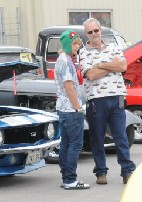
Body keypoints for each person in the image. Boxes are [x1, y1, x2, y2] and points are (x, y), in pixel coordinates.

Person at [79, 17, 135, 185]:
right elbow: (90, 75)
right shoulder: (83, 52)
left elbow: (123, 67)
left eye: (96, 30)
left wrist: (100, 65)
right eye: (90, 32)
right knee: (97, 138)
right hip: (96, 101)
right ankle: (101, 172)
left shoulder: (114, 47)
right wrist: (111, 65)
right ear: (86, 34)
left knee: (121, 136)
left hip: (117, 97)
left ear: (100, 29)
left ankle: (127, 171)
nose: (94, 34)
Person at [55, 30, 89, 190]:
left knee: (66, 144)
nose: (77, 47)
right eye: (75, 44)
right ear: (68, 44)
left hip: (62, 109)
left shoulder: (61, 60)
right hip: (71, 110)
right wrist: (78, 107)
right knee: (75, 144)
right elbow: (69, 86)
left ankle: (66, 177)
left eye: (78, 44)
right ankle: (70, 179)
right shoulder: (66, 62)